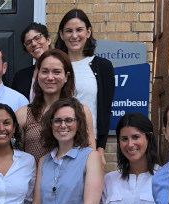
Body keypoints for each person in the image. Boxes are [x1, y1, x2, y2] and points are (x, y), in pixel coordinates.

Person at [31, 98, 104, 204]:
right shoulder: (44, 161)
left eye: (69, 120)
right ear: (51, 124)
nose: (63, 125)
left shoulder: (90, 157)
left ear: (78, 124)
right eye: (57, 120)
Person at [96, 113, 162, 204]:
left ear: (149, 138)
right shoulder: (109, 180)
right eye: (124, 139)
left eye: (136, 137)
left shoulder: (164, 179)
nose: (130, 144)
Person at [56, 9, 115, 164]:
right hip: (57, 143)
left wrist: (101, 148)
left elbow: (105, 110)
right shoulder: (55, 66)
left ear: (88, 32)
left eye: (79, 30)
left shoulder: (102, 66)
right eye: (68, 31)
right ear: (61, 34)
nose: (74, 36)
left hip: (89, 143)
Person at [16, 49, 95, 164]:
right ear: (37, 74)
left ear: (66, 76)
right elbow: (16, 160)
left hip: (72, 181)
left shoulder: (82, 112)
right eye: (44, 71)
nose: (50, 77)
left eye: (56, 72)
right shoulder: (23, 114)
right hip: (34, 180)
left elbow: (91, 158)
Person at [12, 22, 52, 101]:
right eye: (28, 42)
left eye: (37, 38)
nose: (33, 44)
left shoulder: (62, 69)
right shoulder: (20, 77)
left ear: (48, 40)